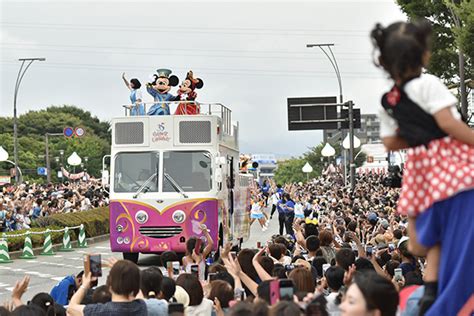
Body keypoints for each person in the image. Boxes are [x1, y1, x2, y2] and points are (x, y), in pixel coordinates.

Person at [372, 19, 474, 315]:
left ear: (385, 62)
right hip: (452, 163)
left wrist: (419, 140)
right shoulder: (429, 84)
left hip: (422, 170)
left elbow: (390, 142)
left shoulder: (388, 100)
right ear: (423, 56)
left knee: (432, 236)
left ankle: (430, 289)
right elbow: (448, 123)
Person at [67, 260, 147, 316]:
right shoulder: (141, 307)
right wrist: (125, 270)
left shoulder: (100, 311)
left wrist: (84, 285)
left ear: (109, 285)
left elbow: (71, 308)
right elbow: (138, 289)